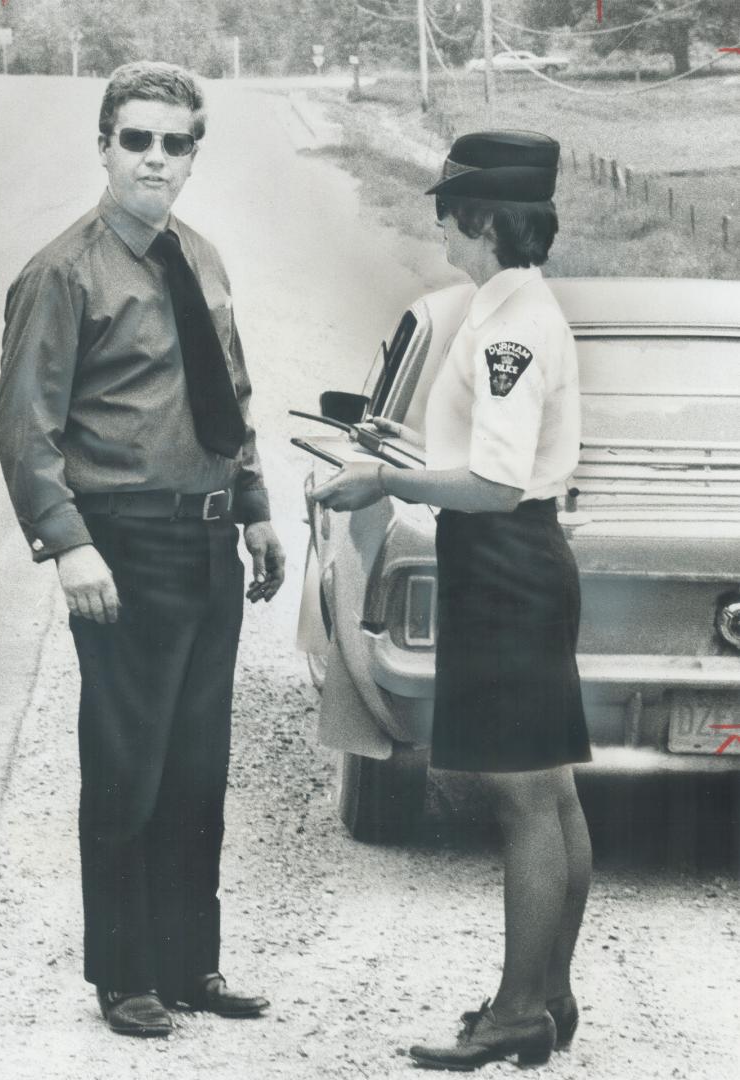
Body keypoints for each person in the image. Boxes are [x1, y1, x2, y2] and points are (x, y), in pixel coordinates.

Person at [0, 61, 285, 1038]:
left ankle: (188, 965)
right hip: (123, 544)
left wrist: (254, 508)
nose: (156, 158)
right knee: (128, 764)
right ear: (106, 145)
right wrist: (68, 545)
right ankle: (124, 974)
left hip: (206, 542)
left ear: (195, 153)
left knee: (199, 765)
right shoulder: (62, 273)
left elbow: (229, 399)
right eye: (138, 139)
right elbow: (25, 431)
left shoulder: (199, 257)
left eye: (176, 142)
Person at [312, 131, 592, 1071]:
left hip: (503, 560)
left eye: (448, 212)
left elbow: (497, 482)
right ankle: (548, 993)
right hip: (525, 560)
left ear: (481, 222)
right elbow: (490, 465)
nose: (439, 228)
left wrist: (384, 485)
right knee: (551, 791)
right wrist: (407, 460)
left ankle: (517, 1012)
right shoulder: (512, 306)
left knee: (522, 799)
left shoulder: (507, 327)